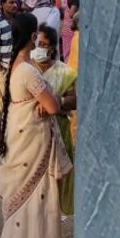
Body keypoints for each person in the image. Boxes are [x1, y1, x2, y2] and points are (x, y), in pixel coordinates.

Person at [0, 13, 71, 238]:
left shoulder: (14, 67)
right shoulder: (28, 71)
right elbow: (51, 106)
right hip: (33, 148)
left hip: (21, 145)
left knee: (24, 206)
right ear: (31, 38)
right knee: (36, 204)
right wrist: (57, 101)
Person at [33, 24, 77, 216]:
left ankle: (55, 214)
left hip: (58, 130)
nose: (39, 48)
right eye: (36, 43)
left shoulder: (64, 72)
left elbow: (74, 100)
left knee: (57, 178)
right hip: (33, 133)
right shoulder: (27, 68)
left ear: (51, 48)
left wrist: (55, 102)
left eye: (43, 44)